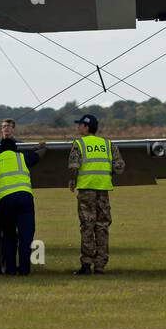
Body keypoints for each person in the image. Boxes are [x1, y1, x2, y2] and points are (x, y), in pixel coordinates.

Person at [68, 114, 125, 275]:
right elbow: (120, 166)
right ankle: (100, 265)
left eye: (80, 125)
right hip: (103, 190)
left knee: (87, 226)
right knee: (102, 226)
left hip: (86, 190)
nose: (78, 127)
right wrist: (107, 174)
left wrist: (72, 181)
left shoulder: (79, 143)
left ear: (86, 127)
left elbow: (73, 165)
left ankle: (86, 264)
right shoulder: (107, 144)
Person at [0, 137, 46, 276]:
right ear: (15, 148)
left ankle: (10, 270)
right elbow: (38, 155)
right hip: (25, 199)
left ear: (0, 150)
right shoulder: (21, 158)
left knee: (9, 236)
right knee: (26, 237)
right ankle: (24, 270)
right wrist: (42, 147)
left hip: (5, 202)